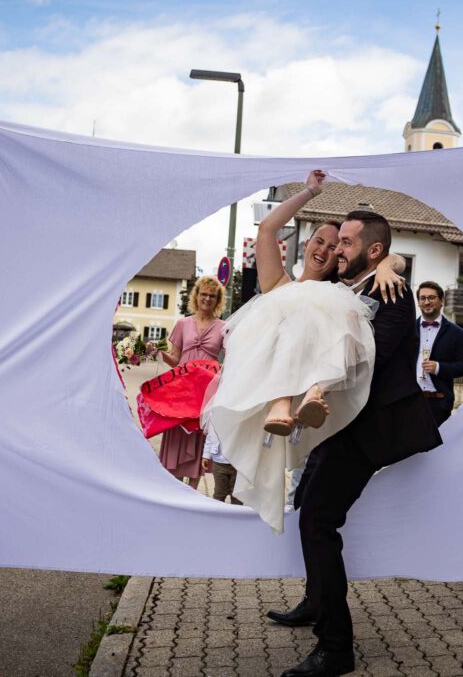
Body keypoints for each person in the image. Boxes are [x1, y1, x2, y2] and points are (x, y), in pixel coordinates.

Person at [270, 211, 443, 677]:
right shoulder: (354, 287)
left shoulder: (391, 292)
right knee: (307, 500)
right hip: (340, 427)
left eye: (346, 241)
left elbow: (368, 360)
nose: (337, 249)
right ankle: (315, 600)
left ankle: (335, 648)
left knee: (318, 521)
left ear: (372, 251)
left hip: (370, 429)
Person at [202, 170, 406, 533]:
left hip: (312, 393)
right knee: (292, 309)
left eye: (335, 247)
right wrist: (309, 192)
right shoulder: (277, 283)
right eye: (320, 241)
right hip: (269, 386)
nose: (326, 250)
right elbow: (267, 229)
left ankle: (308, 395)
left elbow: (387, 260)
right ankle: (282, 407)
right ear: (307, 243)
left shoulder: (339, 297)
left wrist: (391, 263)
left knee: (321, 314)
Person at [147, 276, 226, 488]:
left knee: (198, 436)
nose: (207, 298)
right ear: (196, 295)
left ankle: (192, 491)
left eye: (212, 295)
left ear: (217, 300)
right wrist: (159, 351)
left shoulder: (224, 327)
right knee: (176, 431)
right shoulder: (182, 323)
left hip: (205, 393)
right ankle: (173, 489)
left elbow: (230, 359)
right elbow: (174, 359)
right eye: (204, 294)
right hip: (181, 389)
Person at [415, 281, 463, 425]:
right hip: (410, 402)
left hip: (439, 403)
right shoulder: (407, 329)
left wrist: (439, 368)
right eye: (423, 298)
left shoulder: (457, 333)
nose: (427, 302)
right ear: (419, 302)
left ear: (442, 301)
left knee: (437, 448)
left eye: (431, 298)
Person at [202, 429, 242, 505]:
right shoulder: (214, 417)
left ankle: (236, 514)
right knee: (219, 492)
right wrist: (206, 455)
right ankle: (217, 513)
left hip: (238, 462)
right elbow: (210, 436)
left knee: (237, 494)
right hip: (219, 462)